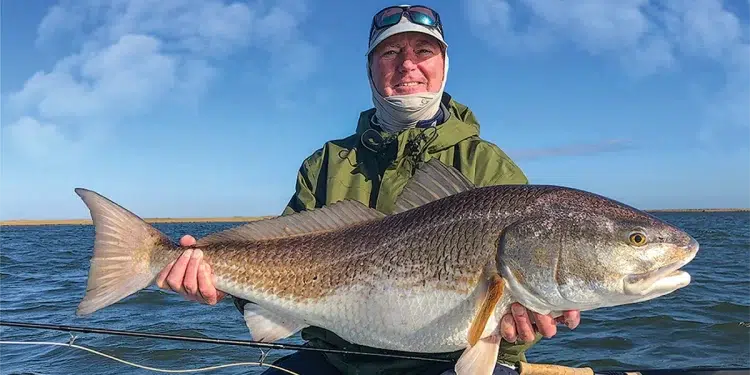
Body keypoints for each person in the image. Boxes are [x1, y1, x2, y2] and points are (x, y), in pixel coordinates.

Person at [155, 4, 580, 374]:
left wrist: (518, 334)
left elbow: (514, 315)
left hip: (449, 364)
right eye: (391, 52)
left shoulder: (488, 166)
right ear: (370, 68)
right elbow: (275, 258)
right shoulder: (326, 164)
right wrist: (217, 280)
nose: (407, 65)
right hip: (337, 360)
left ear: (444, 65)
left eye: (424, 51)